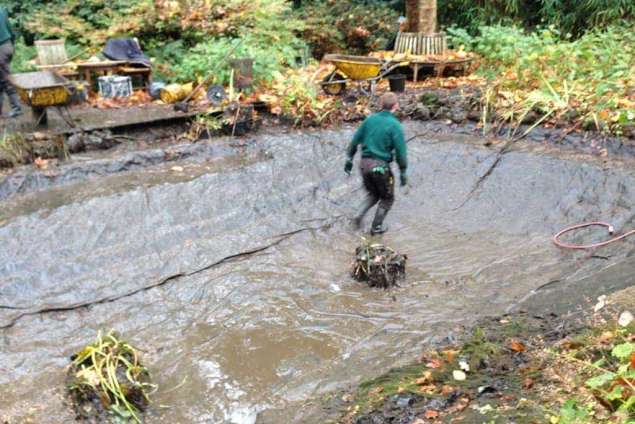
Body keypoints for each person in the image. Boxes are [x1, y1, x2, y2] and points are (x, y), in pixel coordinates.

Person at [345, 92, 408, 235]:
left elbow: (355, 141)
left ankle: (358, 216)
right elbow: (401, 153)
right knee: (387, 198)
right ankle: (376, 228)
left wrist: (349, 160)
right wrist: (403, 172)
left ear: (380, 105)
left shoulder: (369, 120)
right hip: (380, 167)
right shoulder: (395, 125)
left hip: (364, 165)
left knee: (373, 194)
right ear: (395, 106)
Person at [0, 6, 22, 118]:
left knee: (6, 80)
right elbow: (10, 30)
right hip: (7, 46)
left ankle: (17, 108)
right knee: (2, 79)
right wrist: (11, 45)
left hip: (1, 49)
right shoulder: (1, 10)